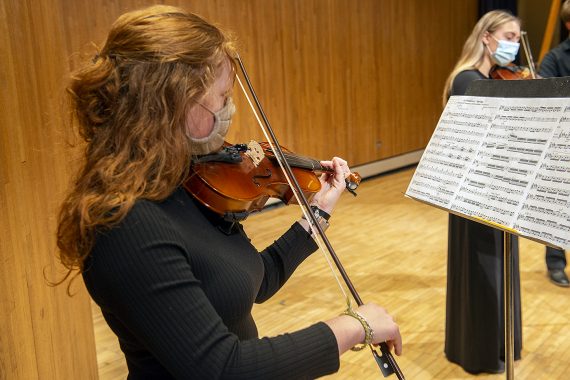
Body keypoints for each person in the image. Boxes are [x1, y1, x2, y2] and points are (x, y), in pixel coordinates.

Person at [56, 5, 402, 379]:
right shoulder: (123, 224)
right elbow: (221, 369)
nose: (229, 109)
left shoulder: (186, 181)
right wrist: (352, 328)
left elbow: (255, 280)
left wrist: (317, 212)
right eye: (221, 97)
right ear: (173, 101)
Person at [441, 10, 523, 374]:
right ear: (486, 37)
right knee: (484, 271)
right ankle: (480, 351)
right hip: (478, 193)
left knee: (500, 268)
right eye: (508, 36)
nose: (514, 45)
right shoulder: (467, 80)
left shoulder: (490, 77)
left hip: (498, 189)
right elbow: (487, 139)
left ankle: (500, 346)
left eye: (518, 39)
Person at [537, 0, 570, 288]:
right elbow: (545, 100)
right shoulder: (554, 58)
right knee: (557, 208)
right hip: (562, 145)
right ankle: (556, 263)